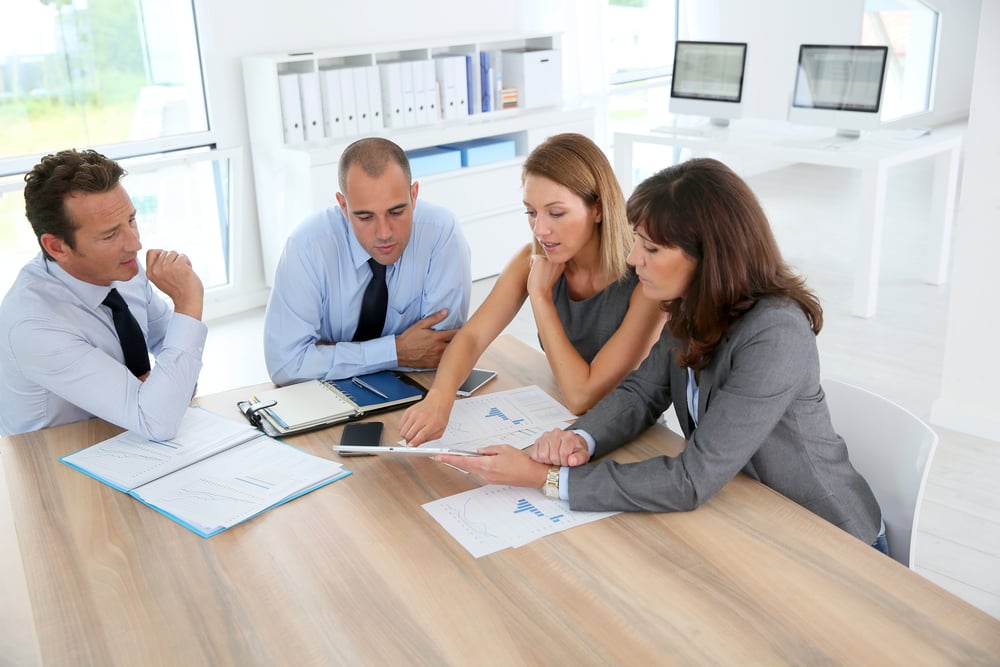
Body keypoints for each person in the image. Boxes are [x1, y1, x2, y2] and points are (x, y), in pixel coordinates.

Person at [436, 157, 884, 548]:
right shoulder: (691, 305)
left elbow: (691, 479)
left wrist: (545, 478)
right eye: (637, 241)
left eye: (650, 247)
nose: (633, 259)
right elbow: (641, 393)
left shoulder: (775, 334)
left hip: (829, 539)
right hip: (748, 514)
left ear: (709, 255)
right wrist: (580, 439)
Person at [400, 133, 666, 446]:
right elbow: (471, 337)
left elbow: (583, 396)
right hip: (561, 420)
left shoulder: (646, 278)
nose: (540, 229)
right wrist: (440, 397)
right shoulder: (534, 257)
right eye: (531, 212)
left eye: (556, 213)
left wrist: (540, 298)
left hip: (631, 435)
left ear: (597, 209)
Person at [0, 149, 207, 440]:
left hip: (124, 437)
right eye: (110, 235)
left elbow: (179, 380)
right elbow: (158, 420)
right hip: (54, 456)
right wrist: (188, 303)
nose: (135, 244)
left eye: (131, 221)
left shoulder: (124, 271)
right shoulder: (33, 325)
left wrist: (161, 392)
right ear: (57, 247)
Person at [263, 137, 471, 385]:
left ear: (414, 195)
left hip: (417, 389)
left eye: (396, 212)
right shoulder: (307, 246)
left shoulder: (441, 232)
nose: (384, 233)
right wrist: (397, 350)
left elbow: (437, 351)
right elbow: (286, 366)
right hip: (329, 396)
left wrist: (329, 352)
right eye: (365, 217)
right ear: (343, 205)